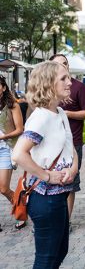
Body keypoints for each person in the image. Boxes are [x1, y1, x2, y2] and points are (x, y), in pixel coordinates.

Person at [12, 61, 78, 268]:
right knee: (47, 259)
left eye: (69, 77)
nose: (69, 82)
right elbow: (19, 154)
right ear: (48, 83)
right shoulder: (40, 117)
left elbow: (71, 148)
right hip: (44, 198)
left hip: (59, 195)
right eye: (63, 78)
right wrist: (47, 176)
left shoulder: (59, 113)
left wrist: (73, 168)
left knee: (59, 252)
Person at [50, 54, 85, 227]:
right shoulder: (47, 88)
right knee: (52, 180)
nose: (62, 66)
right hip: (50, 143)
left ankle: (64, 222)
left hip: (72, 141)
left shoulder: (78, 87)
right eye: (57, 64)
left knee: (70, 181)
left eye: (65, 64)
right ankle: (52, 220)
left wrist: (67, 114)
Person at [0, 76, 24, 229]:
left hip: (6, 148)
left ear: (3, 87)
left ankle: (21, 212)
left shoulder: (12, 105)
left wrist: (4, 136)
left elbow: (20, 129)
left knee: (3, 188)